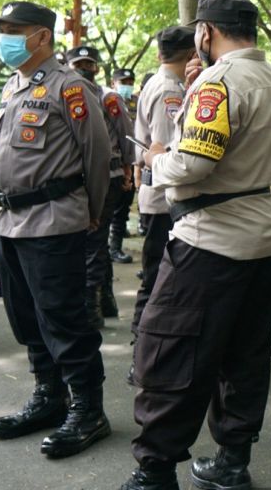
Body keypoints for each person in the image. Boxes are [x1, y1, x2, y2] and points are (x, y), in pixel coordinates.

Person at [120, 0, 271, 490]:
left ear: (206, 33)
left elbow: (194, 163)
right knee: (245, 351)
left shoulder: (220, 82)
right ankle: (232, 461)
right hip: (258, 231)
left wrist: (154, 159)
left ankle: (155, 471)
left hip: (209, 238)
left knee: (171, 350)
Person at [0, 1, 112, 458]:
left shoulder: (71, 88)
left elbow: (97, 157)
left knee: (64, 319)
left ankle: (88, 410)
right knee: (24, 316)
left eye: (14, 31)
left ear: (41, 37)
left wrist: (92, 213)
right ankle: (49, 397)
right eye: (3, 30)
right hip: (9, 221)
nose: (6, 39)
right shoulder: (11, 88)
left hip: (54, 220)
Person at [128, 26, 193, 366]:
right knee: (156, 279)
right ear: (189, 55)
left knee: (158, 277)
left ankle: (148, 350)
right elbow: (169, 152)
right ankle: (142, 353)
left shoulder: (158, 82)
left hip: (158, 197)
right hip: (164, 199)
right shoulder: (170, 91)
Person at [67, 44, 134, 327]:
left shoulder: (109, 98)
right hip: (77, 179)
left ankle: (91, 308)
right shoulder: (67, 96)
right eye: (78, 64)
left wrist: (130, 170)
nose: (84, 68)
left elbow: (126, 135)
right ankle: (105, 298)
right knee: (95, 239)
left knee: (93, 239)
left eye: (89, 64)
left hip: (109, 177)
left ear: (97, 67)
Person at [108, 66, 139, 263]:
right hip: (113, 162)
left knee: (124, 207)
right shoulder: (107, 102)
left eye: (130, 83)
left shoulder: (138, 101)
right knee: (108, 208)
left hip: (133, 160)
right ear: (113, 83)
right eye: (123, 83)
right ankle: (105, 247)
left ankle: (115, 247)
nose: (127, 87)